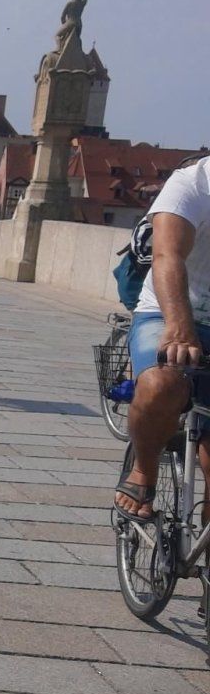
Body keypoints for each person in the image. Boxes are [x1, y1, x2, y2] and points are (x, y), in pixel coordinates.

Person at [116, 156, 210, 521]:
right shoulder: (194, 183)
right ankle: (143, 469)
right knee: (161, 383)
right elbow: (168, 255)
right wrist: (179, 325)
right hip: (168, 311)